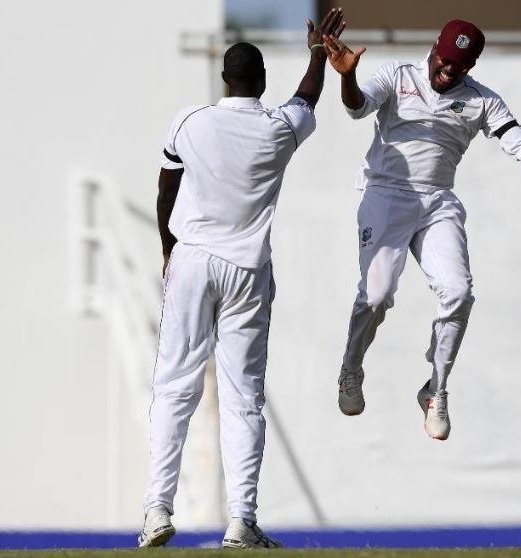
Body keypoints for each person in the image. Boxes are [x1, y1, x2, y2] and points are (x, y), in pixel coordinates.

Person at [138, 9, 346, 549]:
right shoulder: (278, 128)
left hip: (191, 261)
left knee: (173, 386)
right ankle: (241, 521)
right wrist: (317, 54)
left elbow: (165, 189)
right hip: (247, 271)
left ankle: (156, 510)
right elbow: (307, 98)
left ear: (224, 80)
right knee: (243, 397)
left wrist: (167, 247)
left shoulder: (189, 121)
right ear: (261, 81)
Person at [321, 20, 521, 440]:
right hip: (386, 193)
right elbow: (358, 107)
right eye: (445, 60)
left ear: (472, 66)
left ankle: (435, 389)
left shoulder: (480, 99)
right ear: (435, 49)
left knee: (459, 292)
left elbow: (517, 138)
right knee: (376, 295)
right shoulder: (399, 76)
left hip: (437, 200)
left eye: (460, 66)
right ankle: (351, 368)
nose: (449, 71)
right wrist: (347, 77)